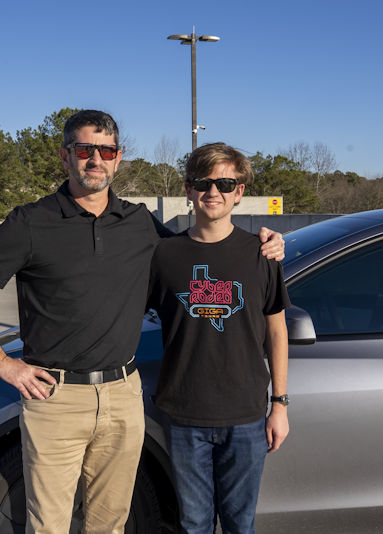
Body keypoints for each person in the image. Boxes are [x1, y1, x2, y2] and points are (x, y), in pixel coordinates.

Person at [0, 110, 284, 534]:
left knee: (110, 526)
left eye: (106, 151)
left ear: (118, 158)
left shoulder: (139, 222)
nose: (95, 159)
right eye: (84, 149)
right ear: (65, 155)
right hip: (57, 399)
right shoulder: (31, 222)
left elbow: (202, 250)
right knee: (48, 527)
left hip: (123, 395)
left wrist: (266, 243)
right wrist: (0, 361)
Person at [147, 142, 290, 534]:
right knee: (193, 524)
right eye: (203, 182)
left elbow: (277, 331)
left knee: (239, 524)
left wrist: (279, 404)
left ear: (239, 192)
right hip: (183, 414)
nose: (214, 192)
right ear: (189, 189)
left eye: (225, 184)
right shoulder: (164, 255)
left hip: (245, 415)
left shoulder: (262, 254)